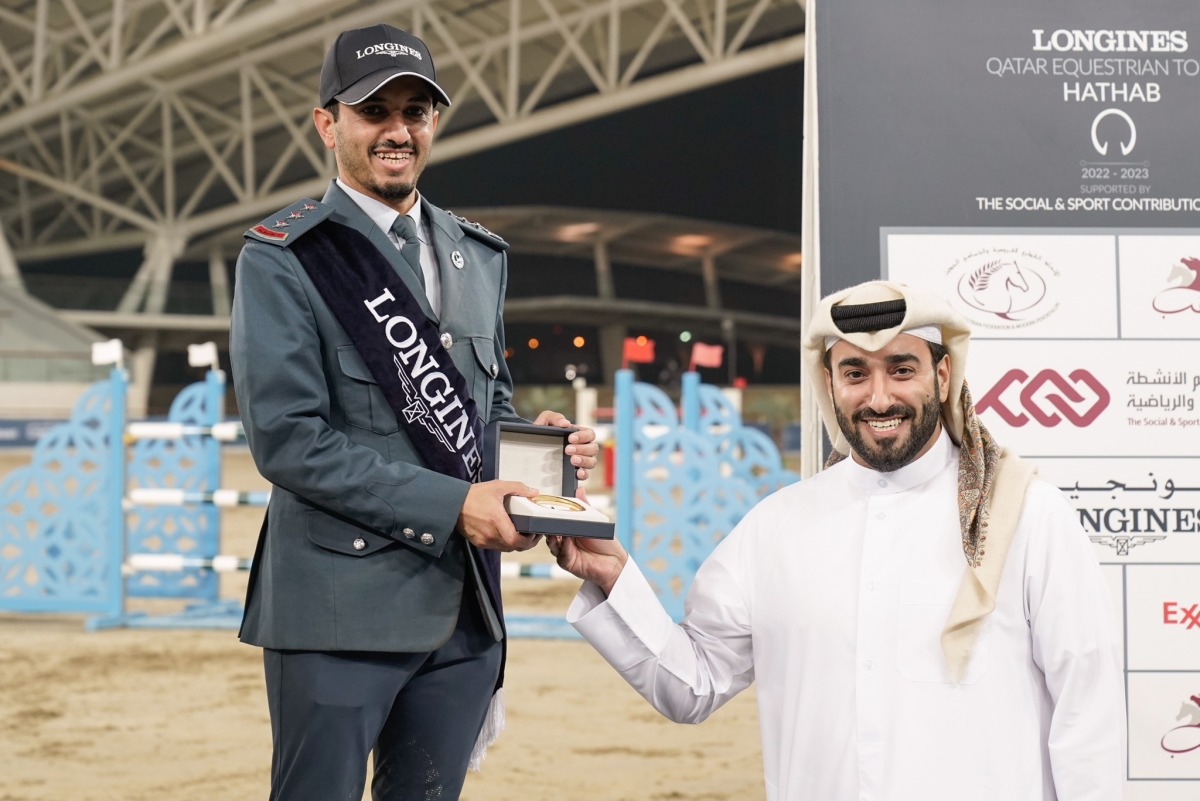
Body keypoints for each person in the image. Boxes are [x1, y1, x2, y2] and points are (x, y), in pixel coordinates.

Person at [549, 280, 1125, 800]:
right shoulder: (777, 526)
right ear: (830, 383)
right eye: (856, 374)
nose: (879, 398)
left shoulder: (1025, 515)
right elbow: (691, 685)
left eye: (902, 369)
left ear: (943, 376)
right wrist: (613, 576)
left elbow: (1087, 713)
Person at [228, 22, 598, 801]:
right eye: (374, 111)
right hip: (337, 612)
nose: (398, 130)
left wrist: (539, 454)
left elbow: (479, 408)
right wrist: (456, 502)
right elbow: (289, 441)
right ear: (329, 124)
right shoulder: (284, 258)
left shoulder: (478, 254)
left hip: (461, 612)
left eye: (416, 110)